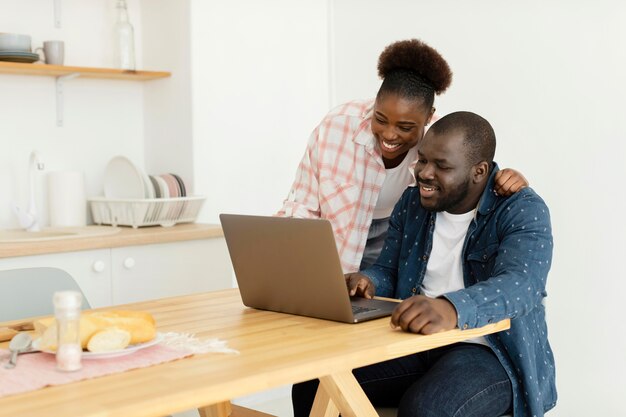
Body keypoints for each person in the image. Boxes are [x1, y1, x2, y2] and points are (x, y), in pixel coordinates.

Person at [292, 111, 556, 417]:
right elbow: (388, 270)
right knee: (314, 382)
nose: (424, 173)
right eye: (422, 160)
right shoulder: (412, 203)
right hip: (416, 342)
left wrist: (451, 308)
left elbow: (522, 286)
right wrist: (368, 280)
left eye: (441, 166)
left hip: (490, 351)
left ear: (479, 171)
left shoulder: (520, 209)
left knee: (425, 409)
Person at [277, 39, 528, 273]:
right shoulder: (336, 127)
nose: (389, 135)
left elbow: (471, 183)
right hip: (338, 241)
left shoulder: (442, 143)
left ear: (429, 116)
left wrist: (506, 178)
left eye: (405, 127)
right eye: (380, 119)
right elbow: (302, 206)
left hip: (396, 241)